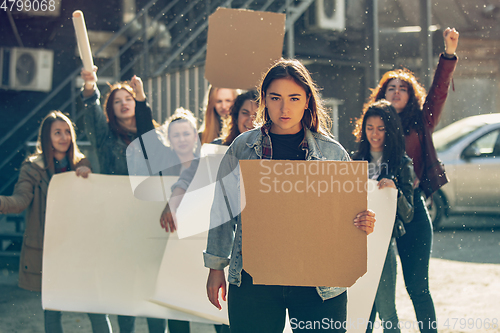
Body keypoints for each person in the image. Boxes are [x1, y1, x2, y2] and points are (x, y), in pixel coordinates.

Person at [204, 59, 376, 332]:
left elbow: (345, 216)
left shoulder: (332, 153)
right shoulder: (242, 148)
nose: (285, 108)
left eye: (294, 98)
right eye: (276, 98)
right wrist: (216, 266)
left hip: (318, 282)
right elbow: (222, 210)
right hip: (254, 279)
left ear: (307, 100)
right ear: (264, 100)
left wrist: (361, 222)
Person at [353, 27, 459, 333]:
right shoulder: (371, 128)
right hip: (374, 218)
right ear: (382, 95)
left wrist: (449, 54)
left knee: (417, 287)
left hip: (411, 211)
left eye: (403, 87)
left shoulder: (420, 122)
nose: (397, 91)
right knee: (371, 285)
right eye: (391, 87)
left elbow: (439, 91)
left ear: (411, 95)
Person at [80, 68, 175, 333]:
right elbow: (91, 108)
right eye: (117, 100)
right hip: (118, 224)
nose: (123, 103)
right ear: (111, 108)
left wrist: (142, 97)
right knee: (126, 289)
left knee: (152, 287)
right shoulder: (104, 135)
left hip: (151, 222)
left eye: (128, 99)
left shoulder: (153, 137)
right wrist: (90, 85)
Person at [0, 111, 111, 333]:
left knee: (96, 306)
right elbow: (20, 200)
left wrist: (87, 177)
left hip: (82, 248)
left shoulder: (82, 163)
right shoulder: (32, 168)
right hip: (50, 249)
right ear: (46, 137)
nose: (64, 137)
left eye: (67, 132)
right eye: (57, 132)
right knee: (52, 309)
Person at [352, 100, 415, 332]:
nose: (374, 134)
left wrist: (394, 191)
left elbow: (408, 214)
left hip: (384, 243)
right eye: (369, 128)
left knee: (387, 310)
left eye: (380, 128)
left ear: (390, 130)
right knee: (361, 311)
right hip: (356, 242)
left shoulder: (402, 163)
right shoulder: (353, 160)